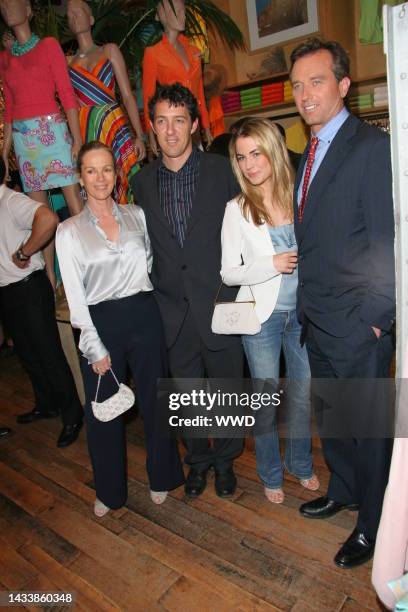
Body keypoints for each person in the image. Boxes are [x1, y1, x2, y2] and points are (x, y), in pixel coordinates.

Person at [290, 38, 395, 568]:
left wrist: (375, 323)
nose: (305, 94)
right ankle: (345, 490)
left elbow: (384, 241)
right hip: (319, 321)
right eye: (298, 84)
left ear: (344, 86)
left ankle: (374, 526)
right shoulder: (307, 149)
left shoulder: (370, 148)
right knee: (334, 421)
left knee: (369, 431)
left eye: (317, 81)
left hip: (358, 327)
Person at [56, 141, 184, 517]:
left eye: (107, 169)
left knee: (156, 404)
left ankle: (163, 475)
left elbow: (149, 265)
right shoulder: (69, 231)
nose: (100, 178)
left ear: (117, 173)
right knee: (103, 413)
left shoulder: (136, 216)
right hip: (101, 324)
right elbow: (76, 298)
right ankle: (110, 492)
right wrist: (93, 348)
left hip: (145, 316)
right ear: (80, 177)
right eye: (91, 171)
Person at [131, 83, 243, 499]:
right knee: (189, 395)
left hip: (220, 301)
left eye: (180, 121)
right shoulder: (140, 183)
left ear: (194, 125)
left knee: (228, 387)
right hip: (172, 311)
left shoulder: (222, 170)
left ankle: (227, 461)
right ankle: (198, 461)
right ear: (153, 128)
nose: (171, 131)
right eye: (162, 122)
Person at [220, 117, 319, 504]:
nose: (249, 164)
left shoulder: (300, 195)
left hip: (303, 314)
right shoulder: (237, 209)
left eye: (255, 153)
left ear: (272, 151)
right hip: (261, 319)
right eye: (242, 157)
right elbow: (228, 271)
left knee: (301, 395)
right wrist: (271, 264)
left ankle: (301, 464)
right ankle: (270, 473)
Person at [0, 157, 83, 448]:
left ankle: (73, 414)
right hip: (7, 290)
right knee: (28, 353)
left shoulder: (9, 200)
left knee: (49, 353)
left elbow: (48, 218)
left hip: (28, 288)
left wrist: (25, 252)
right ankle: (47, 403)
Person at [0, 0, 83, 289]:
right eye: (3, 5)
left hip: (53, 133)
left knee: (75, 205)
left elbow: (67, 94)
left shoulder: (49, 46)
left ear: (28, 10)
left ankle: (88, 264)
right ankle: (51, 278)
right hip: (24, 142)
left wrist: (77, 139)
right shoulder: (5, 59)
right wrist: (4, 152)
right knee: (41, 214)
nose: (7, 8)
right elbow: (8, 111)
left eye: (13, 3)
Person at [66, 0, 146, 205]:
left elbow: (127, 96)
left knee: (127, 182)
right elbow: (71, 106)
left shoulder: (109, 50)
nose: (74, 17)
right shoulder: (68, 63)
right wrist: (75, 139)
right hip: (88, 128)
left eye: (79, 12)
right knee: (97, 183)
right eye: (69, 15)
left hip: (114, 125)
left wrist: (139, 135)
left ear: (91, 18)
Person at [142, 0, 212, 156]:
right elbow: (148, 97)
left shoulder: (194, 51)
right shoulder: (153, 53)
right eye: (177, 11)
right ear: (163, 16)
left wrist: (206, 127)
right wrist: (150, 134)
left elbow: (199, 92)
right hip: (173, 124)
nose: (183, 16)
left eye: (183, 11)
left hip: (194, 124)